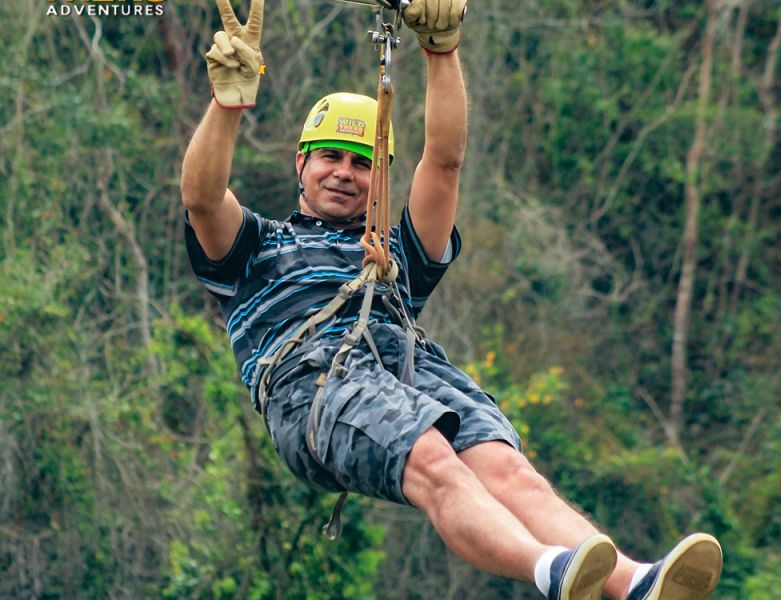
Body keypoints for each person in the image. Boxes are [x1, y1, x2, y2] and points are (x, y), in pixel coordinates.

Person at [181, 0, 724, 597]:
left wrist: (441, 52)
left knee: (509, 470)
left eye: (362, 164)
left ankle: (633, 585)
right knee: (432, 458)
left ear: (381, 176)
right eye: (330, 157)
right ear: (301, 165)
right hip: (311, 381)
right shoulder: (258, 247)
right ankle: (553, 569)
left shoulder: (395, 255)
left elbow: (443, 161)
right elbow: (204, 198)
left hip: (406, 364)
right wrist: (226, 106)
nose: (343, 173)